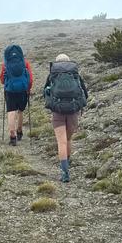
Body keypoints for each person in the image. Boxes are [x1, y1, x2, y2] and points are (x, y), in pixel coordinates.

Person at [43, 53, 89, 182]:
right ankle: (67, 163)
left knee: (61, 142)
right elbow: (85, 93)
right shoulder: (75, 75)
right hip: (73, 111)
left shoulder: (52, 75)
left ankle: (65, 172)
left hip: (57, 111)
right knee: (68, 140)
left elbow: (45, 92)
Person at [0, 44, 34, 146]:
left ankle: (12, 136)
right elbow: (30, 79)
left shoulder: (5, 64)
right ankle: (19, 131)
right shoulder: (25, 63)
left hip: (10, 90)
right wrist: (28, 88)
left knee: (11, 112)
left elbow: (2, 79)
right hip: (23, 90)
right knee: (20, 111)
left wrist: (6, 83)